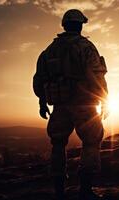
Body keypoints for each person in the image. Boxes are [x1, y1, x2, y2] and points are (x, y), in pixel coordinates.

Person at [33, 9, 108, 200]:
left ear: (64, 25)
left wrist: (42, 102)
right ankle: (85, 190)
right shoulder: (86, 47)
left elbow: (39, 79)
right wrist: (105, 100)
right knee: (91, 143)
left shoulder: (49, 50)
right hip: (85, 105)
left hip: (59, 106)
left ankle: (59, 191)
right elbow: (97, 76)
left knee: (58, 144)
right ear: (81, 25)